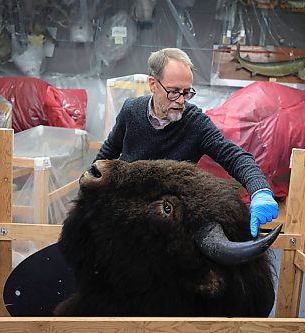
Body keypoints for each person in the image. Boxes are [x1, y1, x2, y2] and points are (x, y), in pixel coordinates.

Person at [94, 48, 278, 238]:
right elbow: (110, 149)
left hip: (168, 219)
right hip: (127, 207)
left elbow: (234, 156)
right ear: (153, 84)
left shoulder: (195, 123)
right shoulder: (131, 110)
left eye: (187, 92)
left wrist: (259, 190)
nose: (181, 101)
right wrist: (90, 184)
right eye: (173, 92)